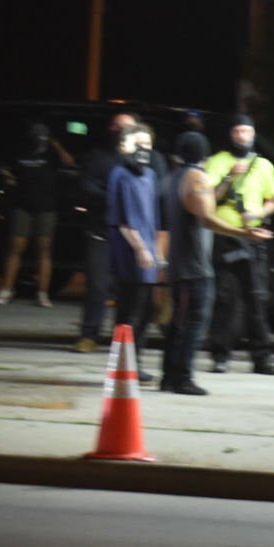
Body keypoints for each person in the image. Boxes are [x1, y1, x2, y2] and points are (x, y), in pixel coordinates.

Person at [159, 131, 272, 395]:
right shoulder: (196, 178)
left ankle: (169, 376)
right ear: (205, 156)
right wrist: (245, 233)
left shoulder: (176, 176)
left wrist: (229, 179)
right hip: (194, 266)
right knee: (193, 323)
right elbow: (207, 217)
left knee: (179, 322)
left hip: (180, 265)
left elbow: (208, 199)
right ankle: (182, 377)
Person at [204, 116, 274, 375]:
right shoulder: (217, 161)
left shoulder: (263, 165)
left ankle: (262, 358)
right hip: (224, 235)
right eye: (238, 130)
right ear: (231, 134)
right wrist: (227, 178)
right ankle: (220, 355)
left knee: (257, 298)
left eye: (246, 131)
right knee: (225, 298)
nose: (242, 135)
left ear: (253, 134)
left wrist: (258, 212)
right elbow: (208, 199)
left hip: (253, 236)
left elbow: (272, 201)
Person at [73, 112, 137, 352]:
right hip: (100, 232)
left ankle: (122, 339)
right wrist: (116, 198)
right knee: (97, 286)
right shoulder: (96, 157)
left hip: (132, 236)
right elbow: (86, 187)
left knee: (128, 289)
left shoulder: (142, 160)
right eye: (116, 126)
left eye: (126, 127)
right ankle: (89, 334)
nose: (120, 131)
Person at [0, 122, 74, 307]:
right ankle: (7, 289)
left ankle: (42, 293)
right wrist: (7, 177)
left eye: (42, 136)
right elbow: (5, 168)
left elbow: (69, 162)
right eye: (36, 136)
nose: (38, 139)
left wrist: (57, 145)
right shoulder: (21, 153)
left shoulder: (51, 154)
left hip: (46, 208)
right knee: (15, 248)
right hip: (22, 207)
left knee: (44, 250)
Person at [105, 124, 163, 380]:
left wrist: (156, 249)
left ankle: (132, 362)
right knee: (131, 309)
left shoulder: (149, 175)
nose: (143, 150)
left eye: (147, 145)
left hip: (147, 251)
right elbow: (122, 220)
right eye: (138, 144)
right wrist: (140, 248)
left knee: (146, 308)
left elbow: (152, 218)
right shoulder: (120, 174)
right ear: (124, 145)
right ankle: (125, 365)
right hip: (131, 252)